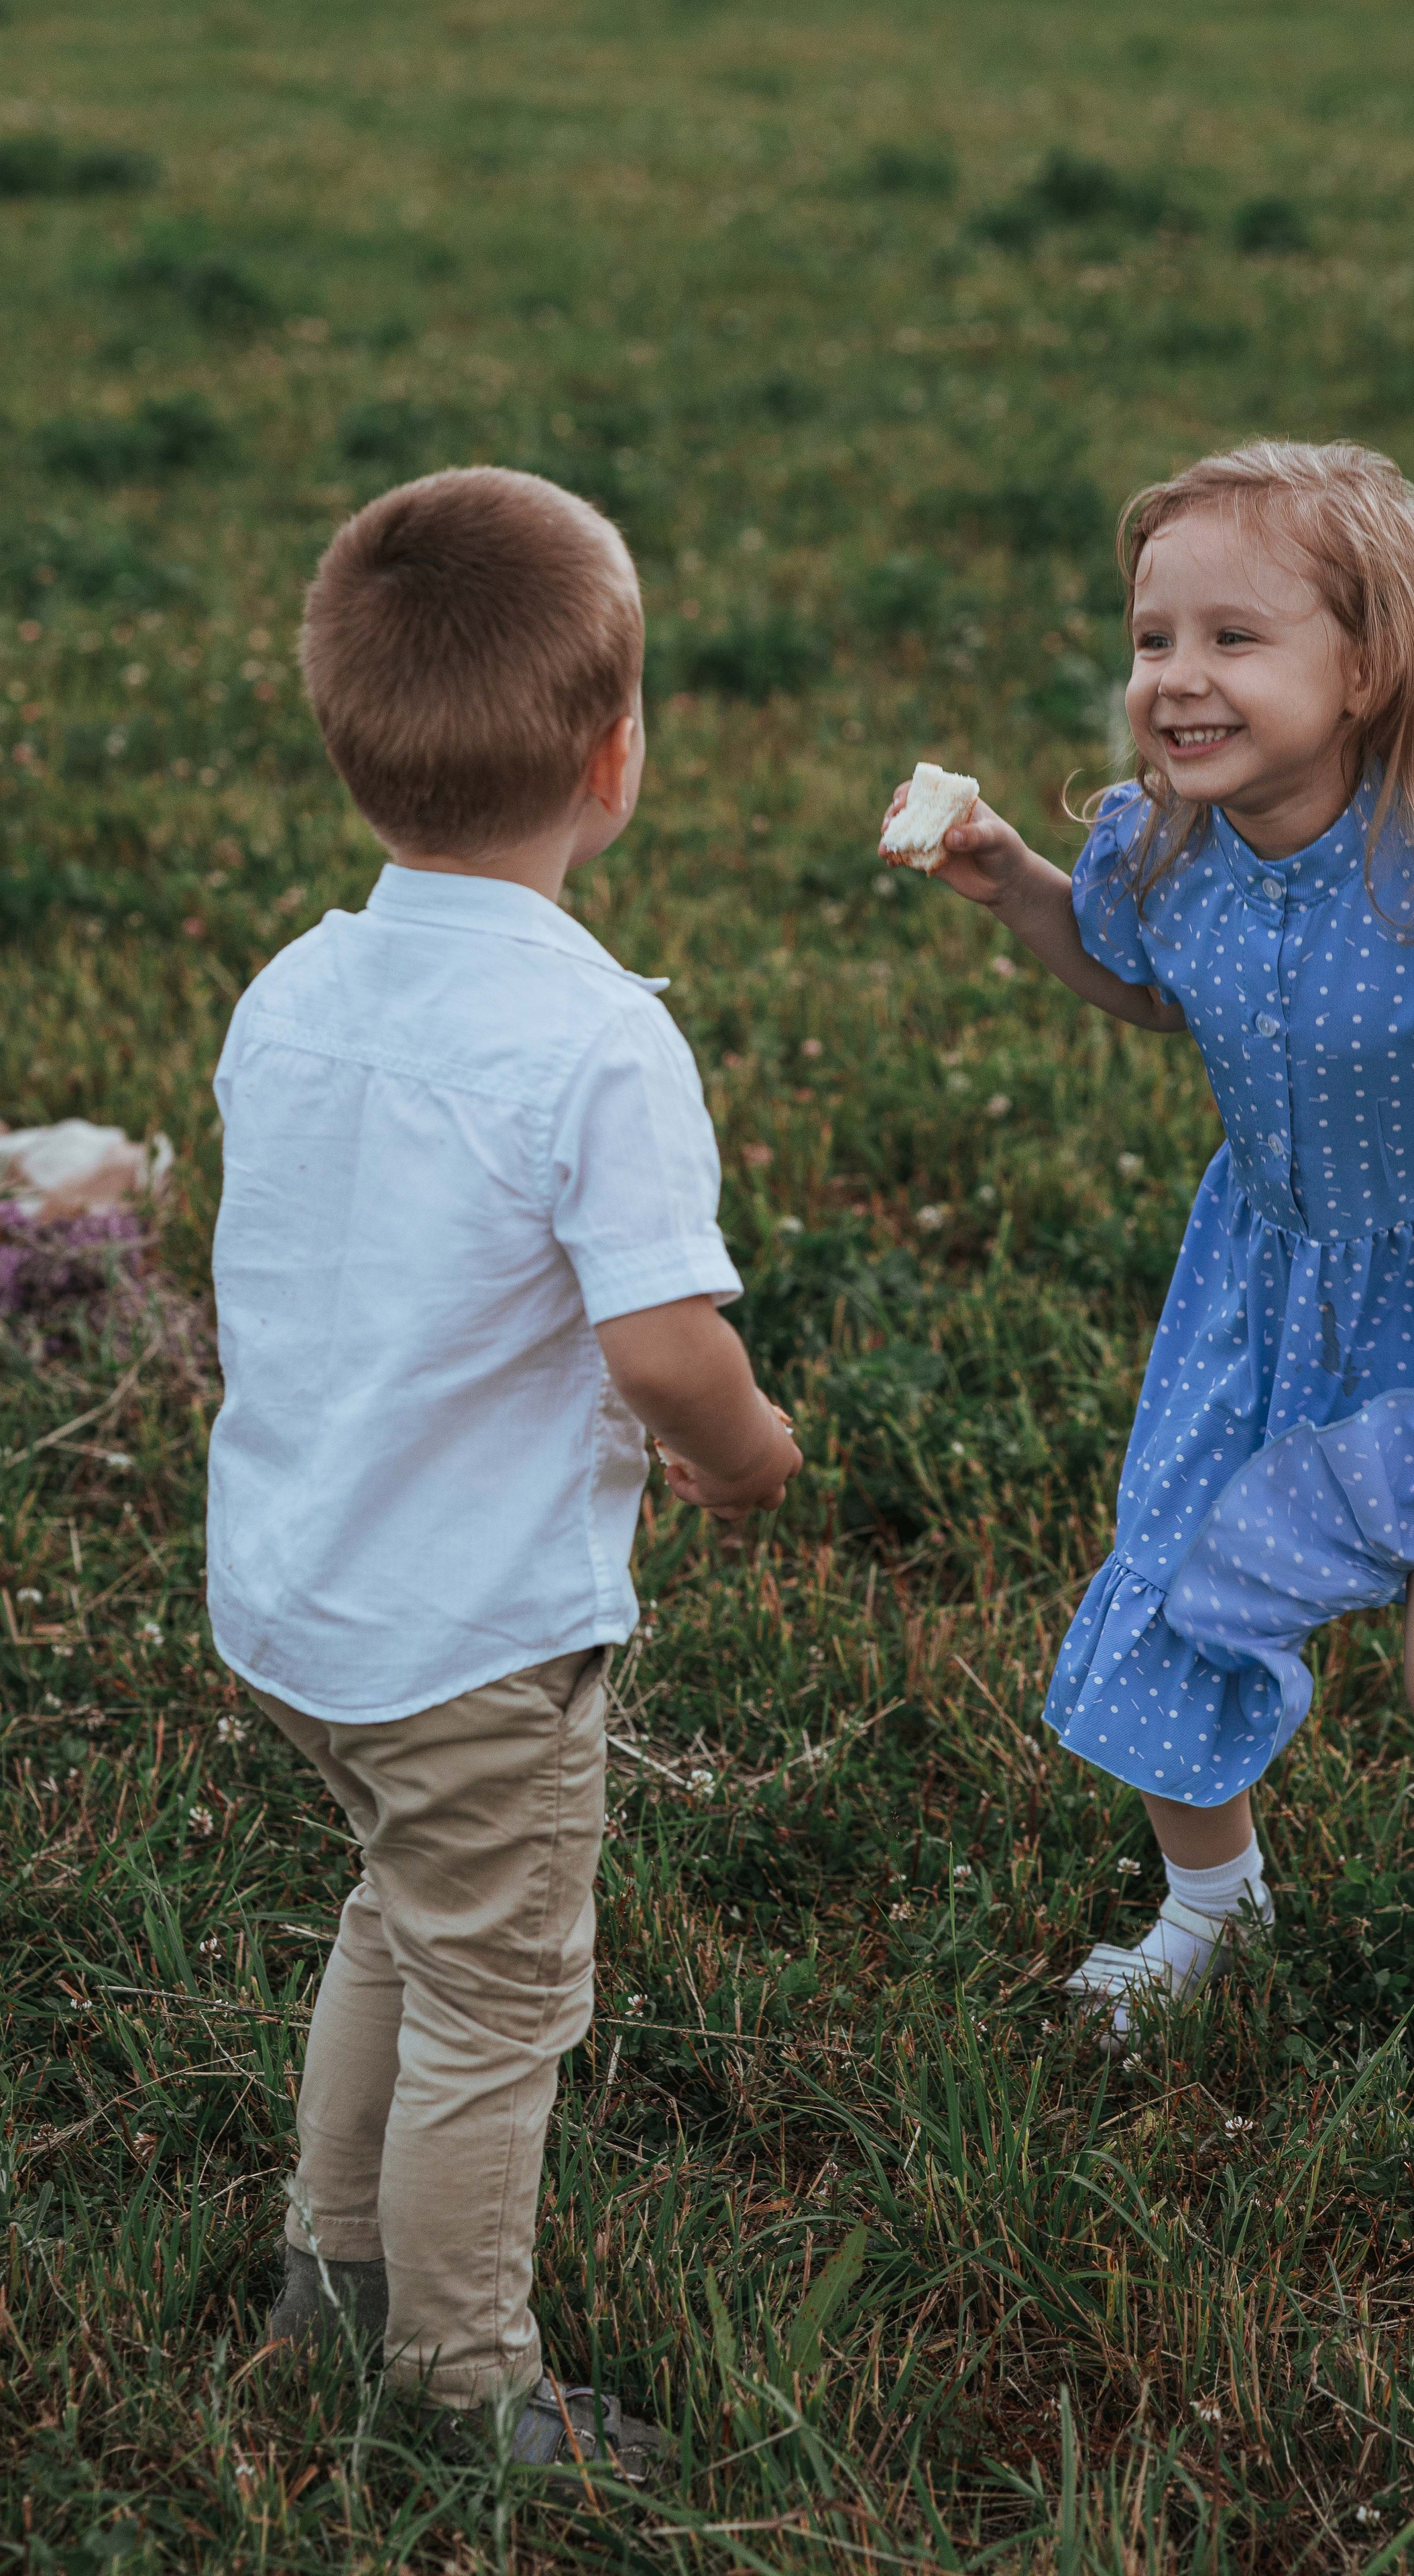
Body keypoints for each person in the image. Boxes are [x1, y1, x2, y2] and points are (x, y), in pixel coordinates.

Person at [881, 439, 1414, 2158]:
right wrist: (1016, 881)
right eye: (1151, 638)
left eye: (1231, 638)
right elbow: (1149, 988)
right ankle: (1214, 1899)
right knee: (1177, 1594)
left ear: (1365, 668)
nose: (1175, 677)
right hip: (1266, 1291)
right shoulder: (1162, 849)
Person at [207, 467, 801, 2471]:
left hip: (304, 1599)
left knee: (399, 1916)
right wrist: (745, 1453)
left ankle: (330, 2272)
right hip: (473, 1637)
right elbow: (661, 1345)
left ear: (351, 743)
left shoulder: (296, 985)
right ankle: (461, 2388)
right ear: (614, 755)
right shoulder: (595, 1038)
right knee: (498, 2006)